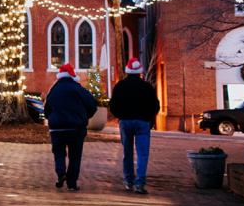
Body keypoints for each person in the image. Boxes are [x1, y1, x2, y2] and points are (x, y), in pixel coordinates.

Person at [109, 57, 160, 194]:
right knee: (142, 153)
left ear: (127, 71)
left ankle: (129, 180)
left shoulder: (120, 86)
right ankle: (140, 182)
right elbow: (155, 105)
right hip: (142, 121)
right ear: (140, 71)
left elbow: (113, 105)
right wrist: (148, 117)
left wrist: (120, 115)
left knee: (127, 151)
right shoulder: (147, 87)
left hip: (125, 121)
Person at [44, 63, 98, 191]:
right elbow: (92, 105)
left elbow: (47, 110)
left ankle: (61, 173)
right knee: (75, 155)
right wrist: (84, 117)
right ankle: (72, 183)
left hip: (57, 128)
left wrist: (52, 118)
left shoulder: (54, 91)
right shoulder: (78, 89)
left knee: (58, 152)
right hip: (76, 128)